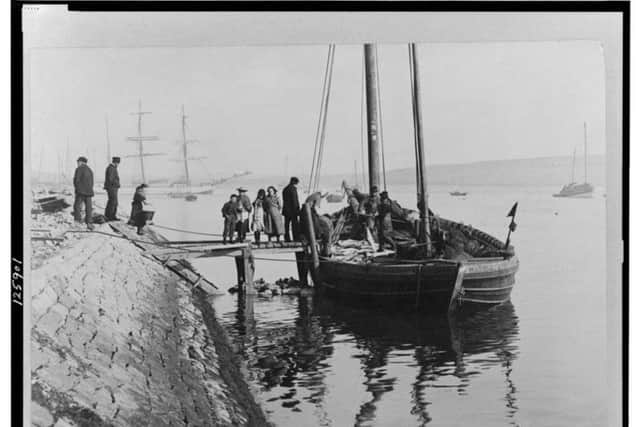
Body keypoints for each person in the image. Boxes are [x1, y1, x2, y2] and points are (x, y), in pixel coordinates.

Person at [73, 156, 94, 230]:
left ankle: (77, 220)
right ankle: (89, 222)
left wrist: (77, 189)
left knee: (77, 206)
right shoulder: (90, 170)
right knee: (88, 208)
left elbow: (76, 181)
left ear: (82, 162)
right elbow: (91, 182)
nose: (77, 163)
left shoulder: (79, 169)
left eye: (78, 162)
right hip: (89, 192)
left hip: (81, 192)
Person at [282, 177, 300, 242]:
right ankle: (296, 238)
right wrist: (297, 210)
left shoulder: (285, 189)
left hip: (286, 210)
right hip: (293, 211)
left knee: (286, 225)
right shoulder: (293, 189)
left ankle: (287, 238)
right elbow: (295, 200)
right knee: (295, 225)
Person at [103, 156, 121, 221]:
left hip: (113, 187)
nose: (118, 165)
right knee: (113, 202)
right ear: (115, 162)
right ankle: (110, 216)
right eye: (118, 163)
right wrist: (116, 184)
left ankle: (111, 215)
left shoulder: (112, 168)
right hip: (112, 188)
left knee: (113, 202)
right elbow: (110, 179)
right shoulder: (111, 168)